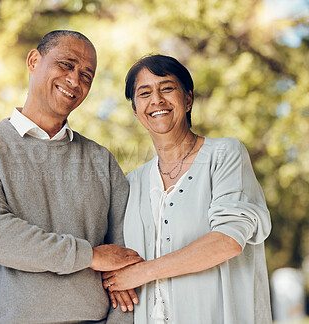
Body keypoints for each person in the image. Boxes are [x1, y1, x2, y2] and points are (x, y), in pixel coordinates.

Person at [0, 30, 142, 324]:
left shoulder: (101, 160)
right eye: (66, 64)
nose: (75, 80)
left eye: (87, 76)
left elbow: (125, 263)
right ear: (33, 60)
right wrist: (90, 256)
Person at [102, 54, 272, 323]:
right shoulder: (132, 182)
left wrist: (143, 272)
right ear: (136, 111)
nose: (156, 99)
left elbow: (227, 241)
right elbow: (117, 258)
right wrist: (112, 278)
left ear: (188, 99)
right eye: (144, 93)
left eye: (167, 88)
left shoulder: (225, 155)